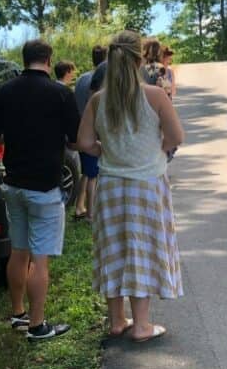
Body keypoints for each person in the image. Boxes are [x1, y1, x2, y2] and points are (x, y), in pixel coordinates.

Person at [76, 30, 184, 342]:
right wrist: (154, 149)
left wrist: (104, 150)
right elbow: (176, 137)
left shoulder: (98, 100)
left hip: (111, 186)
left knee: (114, 248)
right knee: (142, 249)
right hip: (147, 184)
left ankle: (116, 320)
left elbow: (84, 142)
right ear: (139, 59)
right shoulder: (155, 96)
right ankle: (142, 325)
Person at [0, 38, 79, 341]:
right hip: (45, 188)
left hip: (13, 184)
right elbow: (75, 141)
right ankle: (38, 326)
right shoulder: (60, 94)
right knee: (40, 259)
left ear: (24, 60)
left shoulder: (4, 91)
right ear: (49, 60)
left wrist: (13, 139)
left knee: (18, 251)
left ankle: (18, 313)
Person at [72, 45, 107, 220]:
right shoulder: (99, 81)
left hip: (78, 129)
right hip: (92, 131)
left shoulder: (81, 78)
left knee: (86, 172)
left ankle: (79, 206)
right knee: (93, 175)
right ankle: (91, 214)